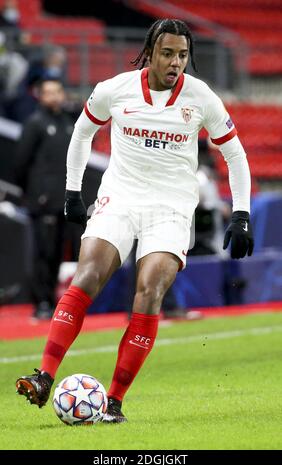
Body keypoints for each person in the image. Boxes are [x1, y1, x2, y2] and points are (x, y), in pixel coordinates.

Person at [16, 19, 254, 423]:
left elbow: (235, 155)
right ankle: (44, 377)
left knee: (150, 290)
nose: (176, 62)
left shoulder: (201, 98)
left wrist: (242, 213)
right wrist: (73, 192)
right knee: (87, 275)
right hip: (121, 197)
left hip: (171, 208)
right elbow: (81, 133)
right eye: (167, 53)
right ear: (150, 51)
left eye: (182, 55)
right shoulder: (116, 89)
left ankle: (113, 401)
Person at [14, 78, 75, 319]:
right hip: (42, 200)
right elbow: (19, 163)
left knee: (59, 252)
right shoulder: (34, 124)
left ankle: (51, 298)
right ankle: (41, 301)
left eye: (57, 91)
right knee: (43, 252)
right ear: (39, 96)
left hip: (63, 200)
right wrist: (33, 193)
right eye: (48, 92)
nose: (53, 96)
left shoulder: (67, 123)